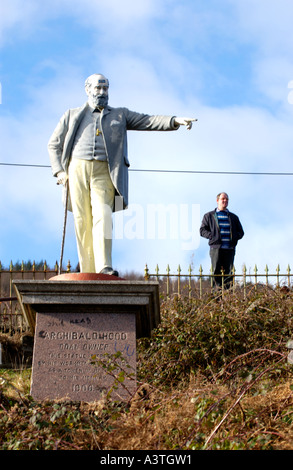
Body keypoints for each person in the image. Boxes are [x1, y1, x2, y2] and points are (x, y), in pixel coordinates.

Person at [48, 73, 197, 275]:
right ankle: (87, 270)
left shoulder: (119, 114)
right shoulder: (72, 114)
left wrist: (174, 120)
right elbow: (54, 144)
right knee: (82, 220)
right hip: (77, 169)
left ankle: (104, 267)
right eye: (98, 88)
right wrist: (59, 172)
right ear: (87, 89)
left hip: (104, 171)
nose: (102, 92)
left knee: (103, 214)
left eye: (105, 88)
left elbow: (147, 120)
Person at [199, 192, 244, 288]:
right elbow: (202, 230)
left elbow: (241, 232)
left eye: (227, 199)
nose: (225, 201)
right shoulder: (209, 216)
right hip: (216, 249)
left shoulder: (233, 217)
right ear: (217, 200)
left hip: (229, 249)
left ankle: (228, 295)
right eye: (223, 199)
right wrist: (212, 236)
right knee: (217, 272)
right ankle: (217, 297)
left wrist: (235, 237)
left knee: (228, 273)